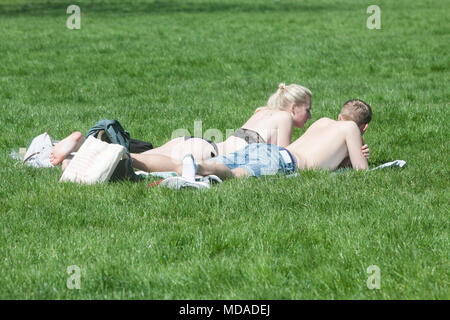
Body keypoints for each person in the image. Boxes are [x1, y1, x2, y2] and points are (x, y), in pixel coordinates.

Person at [50, 83, 312, 168]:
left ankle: (81, 149)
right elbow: (282, 160)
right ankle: (79, 152)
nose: (309, 116)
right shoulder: (285, 118)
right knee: (132, 164)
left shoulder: (262, 111)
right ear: (293, 107)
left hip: (194, 142)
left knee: (131, 158)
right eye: (307, 109)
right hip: (205, 154)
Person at [131, 99, 372, 185]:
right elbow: (362, 172)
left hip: (264, 149)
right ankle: (195, 166)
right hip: (282, 162)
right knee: (232, 174)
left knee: (186, 162)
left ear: (339, 115)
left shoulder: (323, 121)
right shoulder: (351, 128)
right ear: (365, 127)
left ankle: (130, 158)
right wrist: (357, 157)